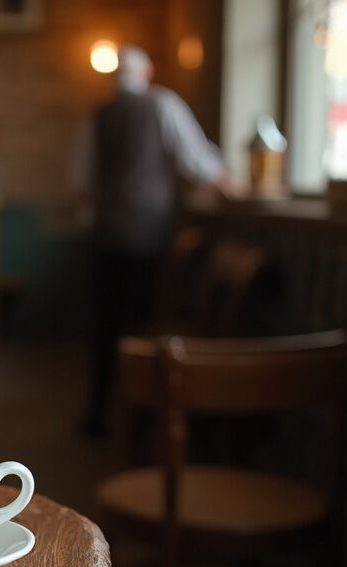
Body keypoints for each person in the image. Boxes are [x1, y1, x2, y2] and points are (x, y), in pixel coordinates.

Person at [71, 44, 233, 438]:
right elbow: (197, 163)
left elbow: (79, 181)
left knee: (105, 327)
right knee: (137, 325)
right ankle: (138, 421)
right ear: (146, 73)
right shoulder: (162, 105)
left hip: (105, 235)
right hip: (146, 234)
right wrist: (230, 186)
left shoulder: (99, 116)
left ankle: (97, 416)